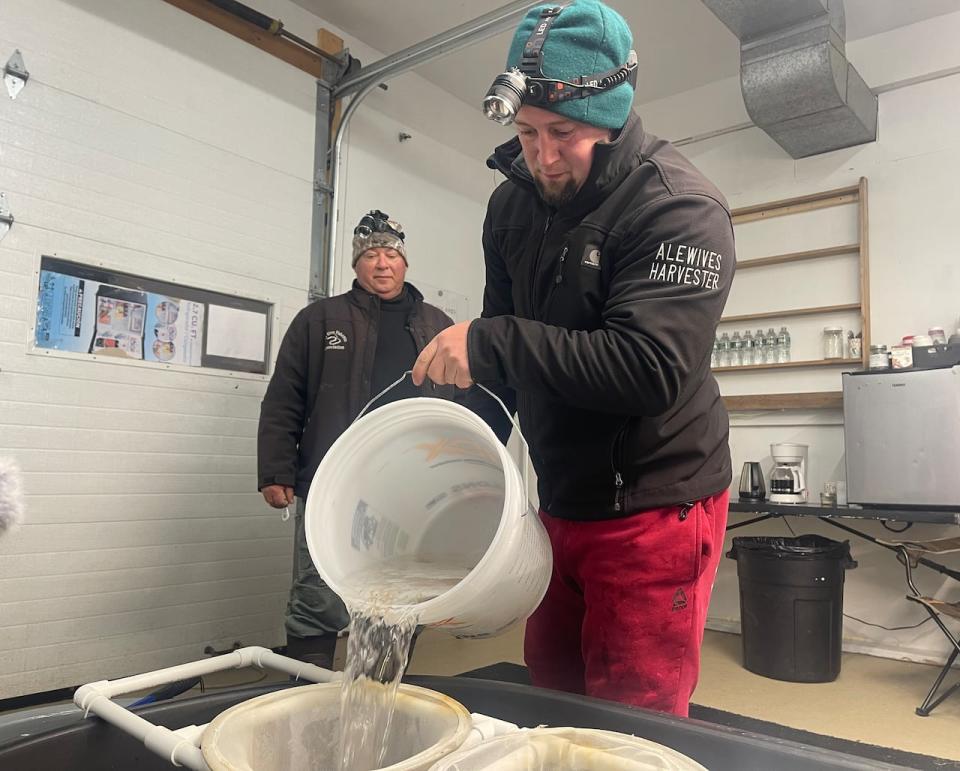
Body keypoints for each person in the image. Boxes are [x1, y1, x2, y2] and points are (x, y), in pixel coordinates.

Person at [412, 0, 735, 717]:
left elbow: (649, 369)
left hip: (654, 503)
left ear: (614, 116)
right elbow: (502, 346)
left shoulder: (679, 209)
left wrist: (490, 342)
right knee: (553, 693)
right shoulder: (512, 207)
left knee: (630, 721)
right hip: (558, 500)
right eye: (526, 132)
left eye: (564, 133)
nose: (543, 155)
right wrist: (464, 469)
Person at [258, 209, 457, 669]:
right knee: (318, 594)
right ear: (355, 265)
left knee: (401, 593)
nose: (381, 263)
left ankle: (379, 693)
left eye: (391, 253)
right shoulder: (319, 320)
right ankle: (305, 695)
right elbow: (284, 397)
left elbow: (459, 406)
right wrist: (276, 470)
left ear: (405, 263)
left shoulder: (437, 324)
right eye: (370, 255)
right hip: (333, 484)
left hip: (411, 491)